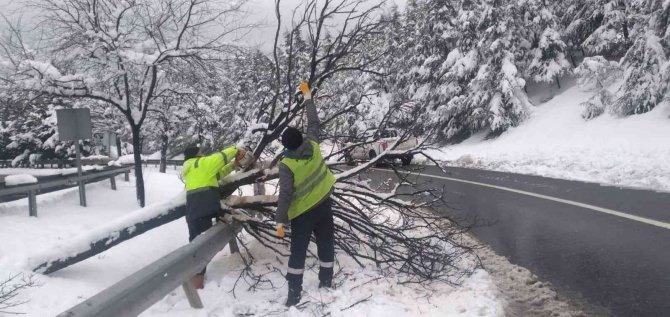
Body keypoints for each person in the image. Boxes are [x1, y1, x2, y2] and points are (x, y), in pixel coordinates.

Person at [276, 81, 336, 307]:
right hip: (324, 204)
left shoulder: (287, 164)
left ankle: (294, 294)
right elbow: (314, 121)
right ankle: (326, 282)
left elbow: (285, 194)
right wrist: (308, 97)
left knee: (298, 252)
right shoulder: (312, 143)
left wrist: (280, 221)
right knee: (326, 243)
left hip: (302, 214)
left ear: (286, 146)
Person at [182, 144, 246, 289]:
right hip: (204, 208)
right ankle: (197, 282)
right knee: (203, 245)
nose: (203, 153)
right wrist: (236, 149)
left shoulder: (192, 168)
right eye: (200, 151)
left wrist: (233, 165)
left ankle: (194, 276)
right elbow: (220, 157)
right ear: (196, 154)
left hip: (193, 210)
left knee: (195, 242)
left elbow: (218, 174)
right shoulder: (201, 163)